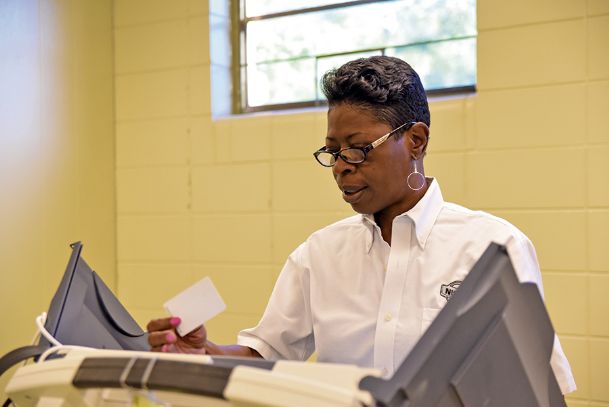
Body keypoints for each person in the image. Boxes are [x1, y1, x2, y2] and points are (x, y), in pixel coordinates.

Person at [147, 56, 576, 394]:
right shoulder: (319, 255)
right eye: (333, 152)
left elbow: (538, 383)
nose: (341, 168)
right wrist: (207, 352)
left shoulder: (492, 248)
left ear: (416, 141)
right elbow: (268, 353)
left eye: (358, 149)